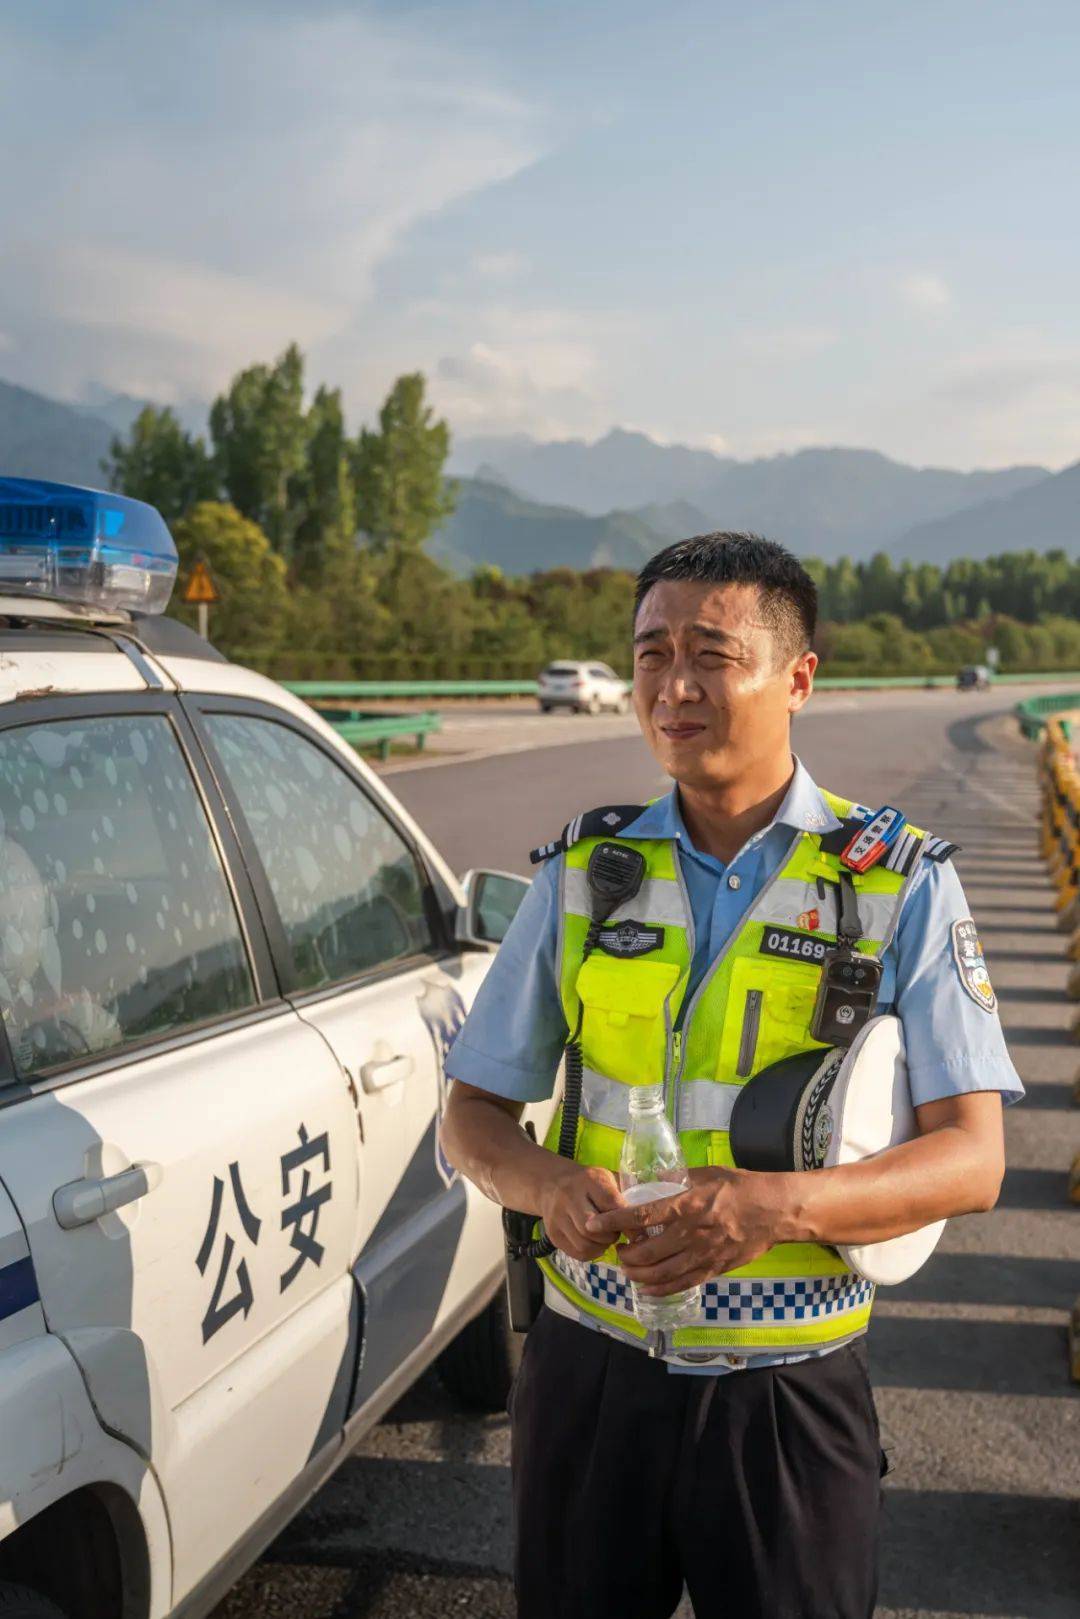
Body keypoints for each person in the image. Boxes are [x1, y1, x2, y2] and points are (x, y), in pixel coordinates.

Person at [440, 533, 1023, 1619]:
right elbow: (471, 1113)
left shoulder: (898, 880)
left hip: (787, 1395)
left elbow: (973, 1157)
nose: (672, 687)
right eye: (651, 654)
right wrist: (547, 1188)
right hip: (591, 1374)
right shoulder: (586, 872)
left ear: (799, 677)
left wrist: (774, 1206)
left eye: (711, 653)